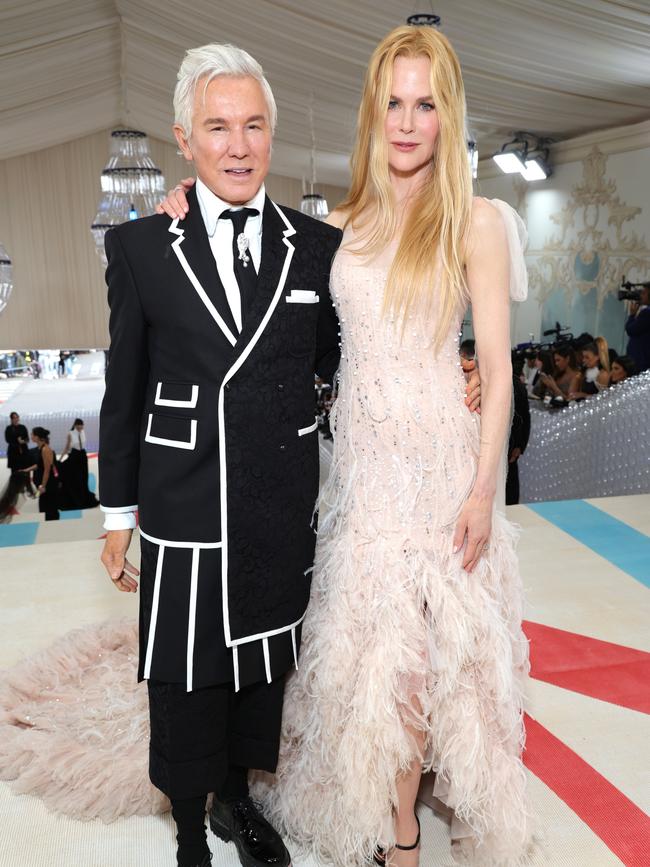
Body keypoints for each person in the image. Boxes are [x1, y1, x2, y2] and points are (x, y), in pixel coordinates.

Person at [101, 42, 483, 867]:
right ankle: (188, 823)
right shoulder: (141, 245)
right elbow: (122, 388)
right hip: (187, 498)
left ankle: (242, 798)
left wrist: (460, 364)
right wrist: (115, 510)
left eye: (253, 126)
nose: (237, 146)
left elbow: (354, 347)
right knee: (185, 670)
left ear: (273, 135)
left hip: (277, 496)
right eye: (217, 128)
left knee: (262, 664)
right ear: (185, 139)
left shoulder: (316, 243)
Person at [58, 418, 99, 509]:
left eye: (82, 425)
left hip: (82, 455)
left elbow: (83, 444)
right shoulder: (71, 433)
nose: (81, 427)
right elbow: (67, 446)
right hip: (75, 455)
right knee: (76, 477)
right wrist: (61, 458)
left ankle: (84, 494)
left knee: (84, 476)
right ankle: (76, 496)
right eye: (79, 425)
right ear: (76, 425)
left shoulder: (83, 432)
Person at [20, 427, 60, 521]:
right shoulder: (40, 448)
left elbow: (47, 470)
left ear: (37, 437)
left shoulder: (45, 449)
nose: (31, 436)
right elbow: (39, 465)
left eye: (32, 435)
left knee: (49, 507)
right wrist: (26, 470)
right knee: (44, 507)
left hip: (48, 483)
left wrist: (43, 485)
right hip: (45, 482)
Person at [625, 283, 650, 373]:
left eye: (643, 293)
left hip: (640, 360)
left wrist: (632, 315)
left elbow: (630, 330)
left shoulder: (647, 313)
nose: (641, 296)